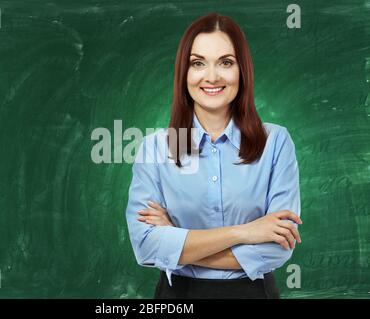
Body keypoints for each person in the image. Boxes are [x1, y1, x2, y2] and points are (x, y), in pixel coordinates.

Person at [125, 12, 302, 299]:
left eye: (226, 62)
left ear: (242, 70)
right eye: (197, 63)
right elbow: (146, 245)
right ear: (184, 73)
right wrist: (246, 232)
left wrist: (176, 240)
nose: (211, 76)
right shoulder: (154, 148)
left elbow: (276, 247)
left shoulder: (276, 142)